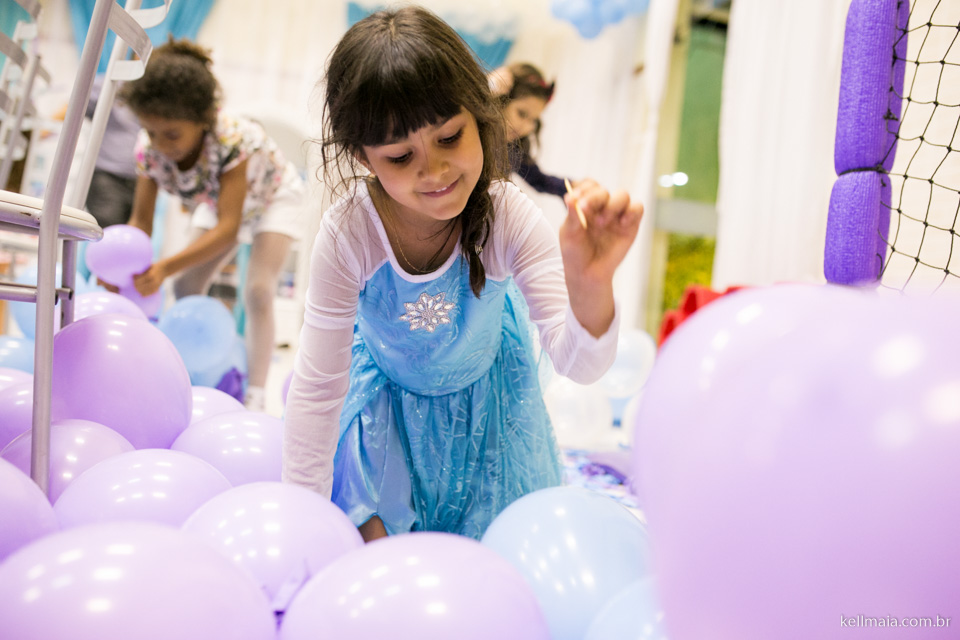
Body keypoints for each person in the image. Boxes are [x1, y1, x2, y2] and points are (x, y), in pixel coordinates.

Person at [282, 6, 642, 542]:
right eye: (401, 157)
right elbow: (316, 392)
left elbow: (579, 365)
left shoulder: (507, 216)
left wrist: (591, 285)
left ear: (480, 117)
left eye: (450, 138)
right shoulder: (349, 232)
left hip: (489, 417)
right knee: (377, 557)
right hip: (386, 413)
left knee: (491, 562)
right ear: (363, 157)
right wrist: (299, 528)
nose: (435, 171)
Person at [118, 39, 304, 412]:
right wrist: (126, 269)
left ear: (203, 121)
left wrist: (165, 265)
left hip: (272, 195)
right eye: (151, 131)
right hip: (217, 200)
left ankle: (256, 394)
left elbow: (229, 228)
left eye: (172, 134)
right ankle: (190, 372)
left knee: (258, 291)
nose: (160, 144)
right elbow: (140, 221)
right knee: (185, 285)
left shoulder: (230, 140)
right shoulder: (149, 150)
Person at [489, 62, 580, 198]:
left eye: (533, 120)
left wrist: (573, 187)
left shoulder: (514, 150)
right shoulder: (472, 128)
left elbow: (540, 181)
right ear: (500, 101)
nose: (526, 127)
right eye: (522, 113)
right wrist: (487, 87)